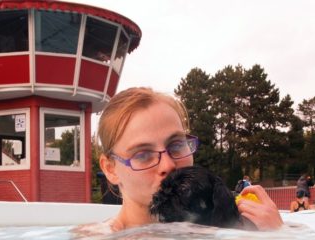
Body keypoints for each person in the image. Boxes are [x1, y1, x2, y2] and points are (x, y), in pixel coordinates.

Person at [95, 87, 283, 232]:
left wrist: (276, 233)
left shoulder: (236, 225)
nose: (168, 165)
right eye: (143, 155)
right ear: (110, 169)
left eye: (176, 145)